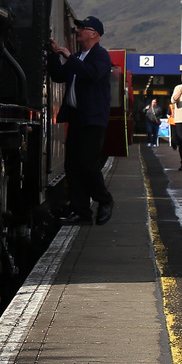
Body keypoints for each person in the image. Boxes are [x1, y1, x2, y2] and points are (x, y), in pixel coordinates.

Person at [48, 15, 115, 225]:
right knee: (72, 166)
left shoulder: (100, 56)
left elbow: (92, 75)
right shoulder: (78, 56)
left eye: (82, 28)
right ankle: (81, 212)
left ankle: (105, 200)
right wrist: (53, 54)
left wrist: (70, 58)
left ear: (94, 34)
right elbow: (59, 75)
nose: (78, 31)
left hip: (93, 120)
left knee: (87, 164)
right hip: (77, 118)